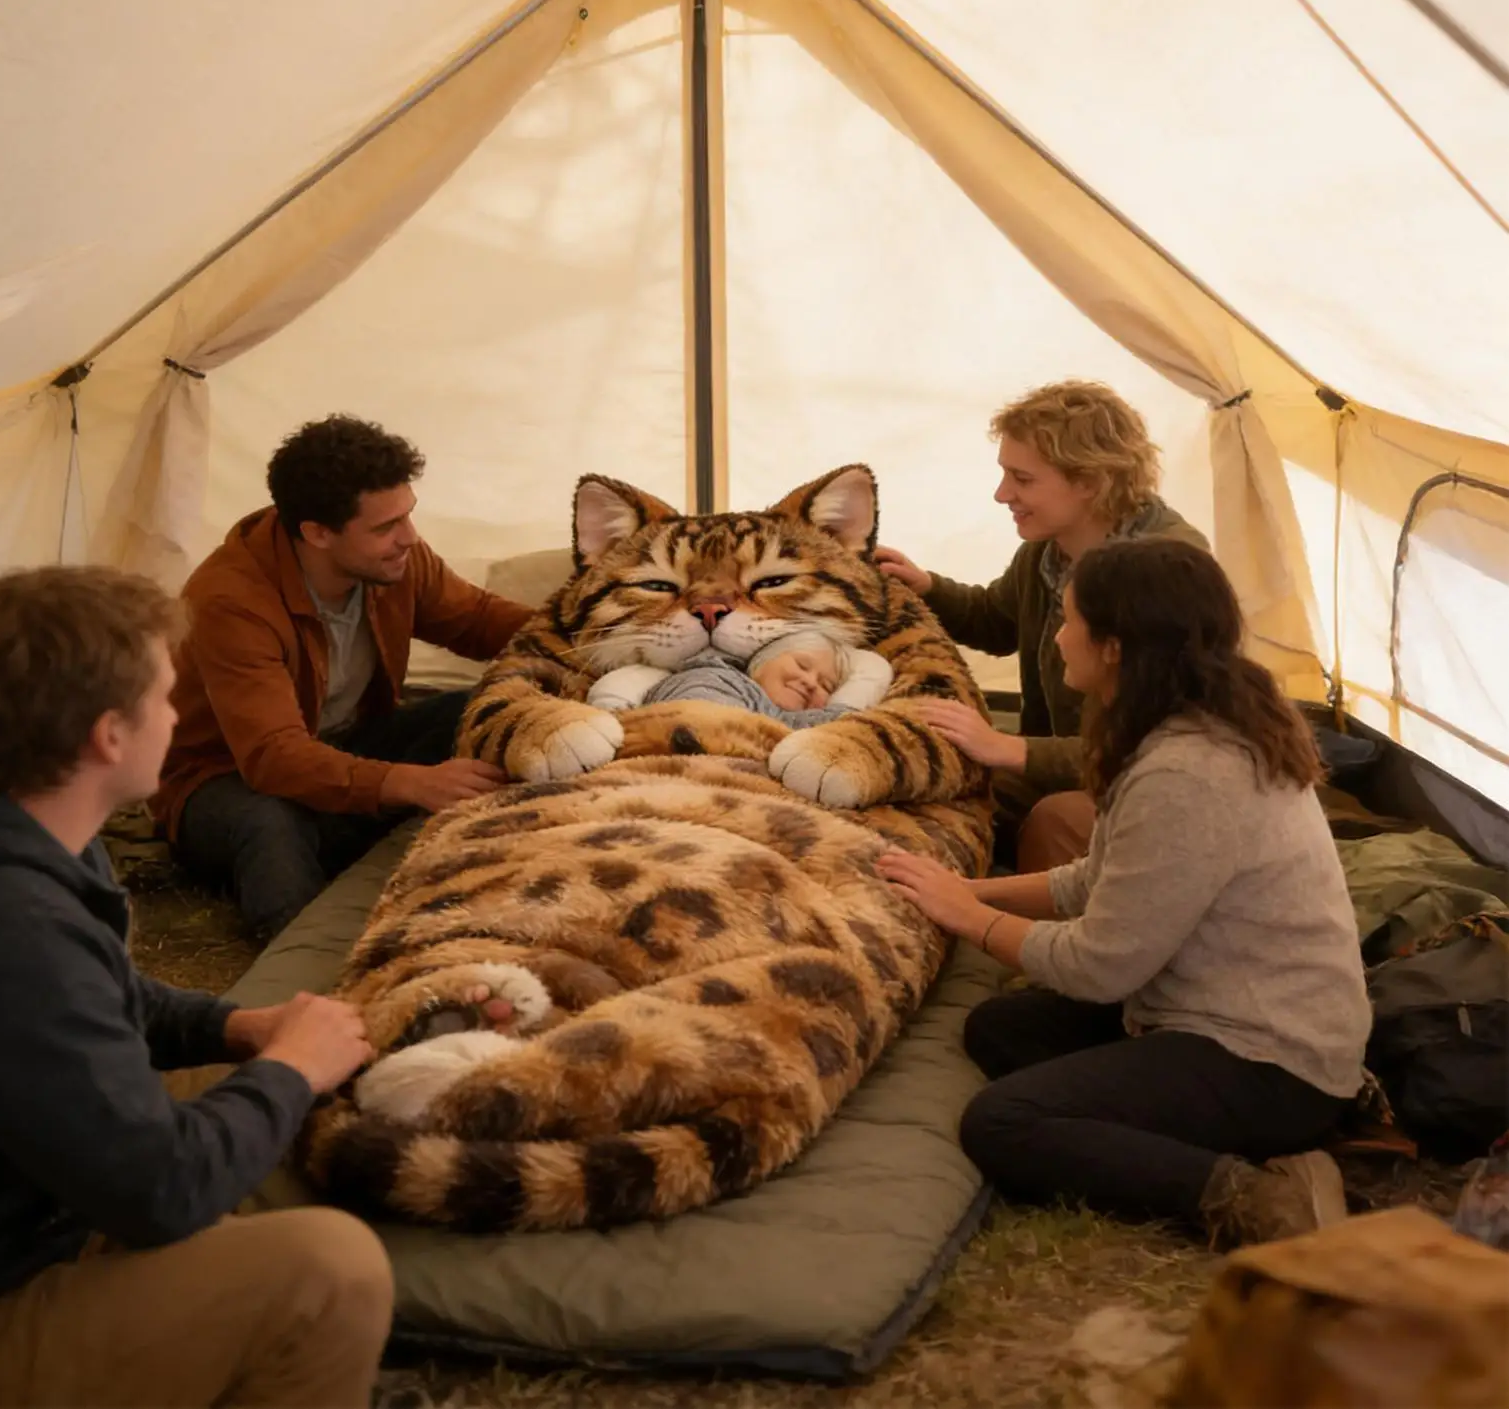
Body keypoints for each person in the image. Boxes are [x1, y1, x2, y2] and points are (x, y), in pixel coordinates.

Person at [0, 567, 396, 1407]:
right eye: (166, 698)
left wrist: (238, 1028)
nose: (176, 717)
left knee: (227, 1084)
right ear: (109, 735)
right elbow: (161, 1192)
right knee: (332, 1268)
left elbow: (94, 994)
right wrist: (291, 1067)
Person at [877, 538, 1371, 1248]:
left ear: (1113, 647)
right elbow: (1091, 881)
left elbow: (1098, 966)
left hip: (1272, 1062)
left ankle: (1259, 1198)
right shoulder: (1181, 730)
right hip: (1203, 1012)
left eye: (1069, 619)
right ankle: (1198, 1134)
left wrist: (970, 918)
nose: (1056, 635)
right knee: (1000, 1029)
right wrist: (965, 889)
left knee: (1002, 1121)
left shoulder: (1186, 772)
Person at [156, 415, 534, 939]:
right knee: (270, 826)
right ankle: (313, 961)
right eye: (385, 527)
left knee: (481, 708)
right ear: (317, 533)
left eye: (408, 515)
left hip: (348, 747)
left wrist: (593, 635)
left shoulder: (394, 560)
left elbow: (476, 620)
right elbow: (273, 757)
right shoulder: (231, 600)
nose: (409, 537)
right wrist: (408, 782)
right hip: (226, 779)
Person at [875, 380, 1208, 871]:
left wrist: (1011, 749)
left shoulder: (1167, 573)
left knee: (1056, 821)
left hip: (1148, 780)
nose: (1002, 494)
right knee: (935, 788)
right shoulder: (1047, 552)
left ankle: (1012, 917)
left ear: (1089, 481)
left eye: (1022, 479)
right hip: (1072, 763)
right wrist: (926, 586)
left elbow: (1156, 746)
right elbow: (996, 621)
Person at [587, 629, 894, 726]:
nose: (811, 682)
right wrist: (844, 718)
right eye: (802, 664)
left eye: (827, 685)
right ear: (761, 663)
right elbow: (709, 730)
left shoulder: (774, 714)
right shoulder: (712, 679)